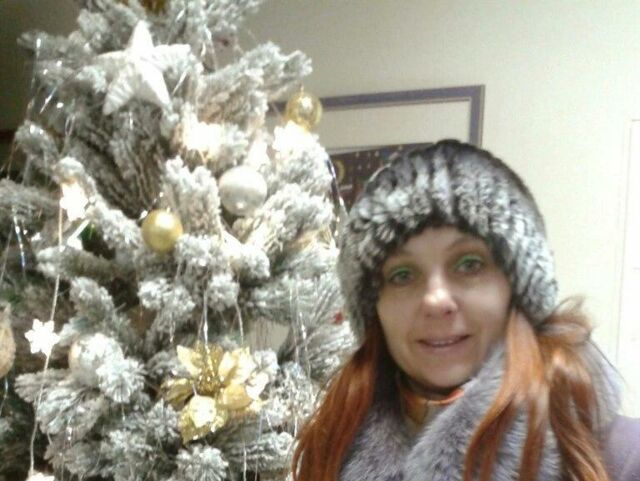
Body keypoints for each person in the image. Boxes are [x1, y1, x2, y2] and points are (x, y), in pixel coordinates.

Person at [292, 139, 640, 481]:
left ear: (516, 289)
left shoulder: (621, 458)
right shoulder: (329, 453)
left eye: (469, 264)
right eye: (402, 275)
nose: (435, 300)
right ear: (375, 310)